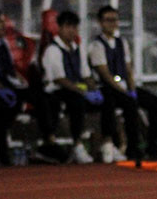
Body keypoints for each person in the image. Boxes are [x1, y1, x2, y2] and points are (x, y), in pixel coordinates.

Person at [88, 5, 157, 162]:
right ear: (100, 22)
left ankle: (153, 143)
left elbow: (128, 69)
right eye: (108, 20)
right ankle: (133, 146)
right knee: (129, 104)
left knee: (155, 102)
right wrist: (125, 92)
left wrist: (132, 88)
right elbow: (105, 74)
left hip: (123, 86)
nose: (112, 23)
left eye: (114, 20)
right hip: (108, 88)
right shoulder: (96, 46)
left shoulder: (121, 43)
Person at [0, 10, 65, 165]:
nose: (3, 25)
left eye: (3, 21)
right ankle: (2, 153)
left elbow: (9, 68)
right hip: (1, 89)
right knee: (3, 109)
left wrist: (20, 81)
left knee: (47, 99)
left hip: (10, 87)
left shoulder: (3, 44)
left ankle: (49, 141)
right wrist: (2, 89)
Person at [40, 10, 108, 164]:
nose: (72, 31)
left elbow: (85, 75)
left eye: (75, 28)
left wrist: (95, 89)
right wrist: (83, 91)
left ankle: (100, 146)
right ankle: (77, 143)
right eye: (68, 27)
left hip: (76, 89)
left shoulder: (78, 49)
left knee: (106, 101)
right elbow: (59, 79)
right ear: (60, 28)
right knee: (76, 102)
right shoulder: (53, 50)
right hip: (56, 91)